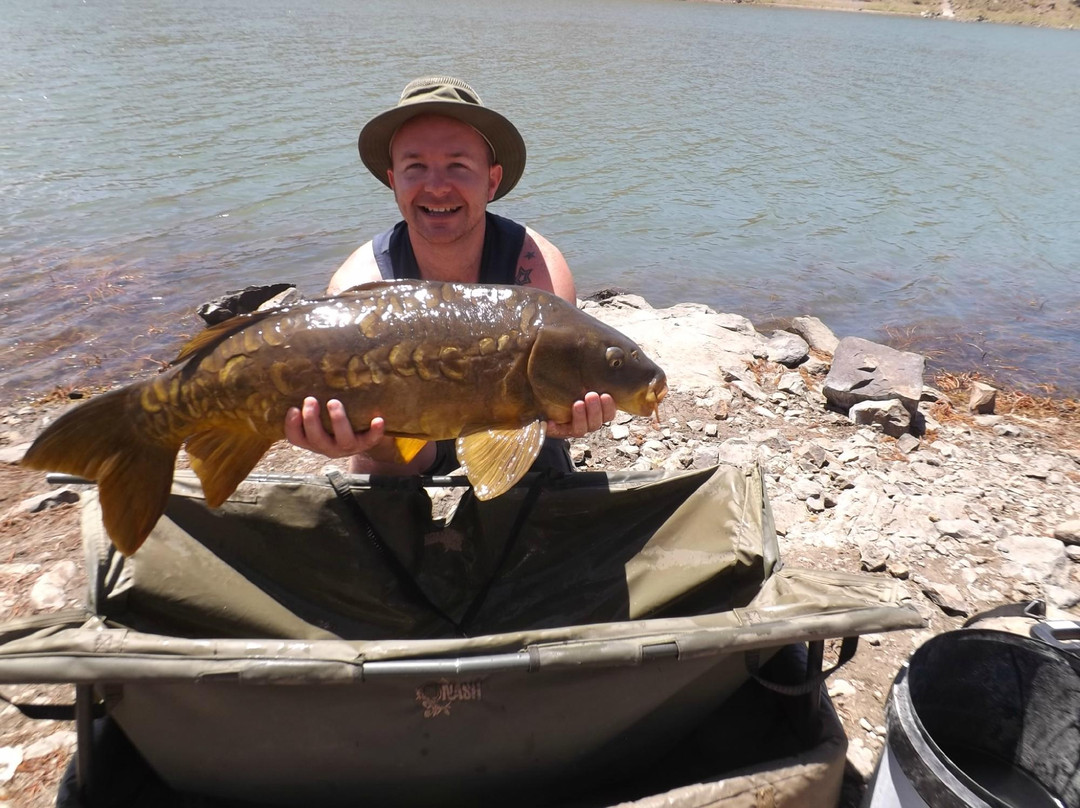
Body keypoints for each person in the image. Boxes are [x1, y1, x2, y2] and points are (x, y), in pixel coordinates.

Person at [284, 76, 615, 476]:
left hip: (509, 432)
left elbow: (558, 396)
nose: (437, 187)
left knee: (539, 461)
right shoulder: (359, 282)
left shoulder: (536, 267)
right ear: (393, 180)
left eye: (457, 166)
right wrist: (353, 437)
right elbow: (394, 449)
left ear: (491, 180)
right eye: (415, 167)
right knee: (378, 465)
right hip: (404, 444)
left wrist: (566, 417)